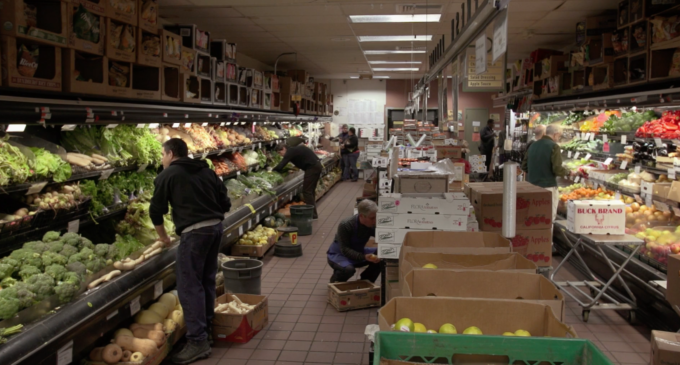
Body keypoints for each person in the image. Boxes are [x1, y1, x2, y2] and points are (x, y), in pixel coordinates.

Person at [149, 139, 231, 364]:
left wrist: (164, 238)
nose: (162, 159)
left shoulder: (168, 175)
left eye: (162, 154)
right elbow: (225, 202)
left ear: (171, 154)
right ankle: (207, 333)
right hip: (215, 229)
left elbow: (156, 211)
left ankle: (197, 342)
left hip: (194, 234)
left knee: (189, 286)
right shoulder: (207, 171)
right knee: (206, 281)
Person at [521, 124, 570, 222]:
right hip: (548, 187)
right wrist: (569, 172)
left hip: (533, 186)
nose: (558, 139)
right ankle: (547, 237)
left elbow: (524, 166)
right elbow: (557, 169)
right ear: (555, 135)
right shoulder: (554, 146)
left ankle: (537, 236)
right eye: (559, 136)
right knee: (548, 218)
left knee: (534, 215)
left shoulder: (533, 145)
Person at [326, 200, 381, 283]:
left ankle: (366, 281)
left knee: (382, 257)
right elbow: (345, 249)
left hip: (359, 251)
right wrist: (363, 257)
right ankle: (335, 282)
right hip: (340, 254)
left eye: (376, 217)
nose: (375, 221)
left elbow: (382, 237)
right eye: (372, 218)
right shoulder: (346, 225)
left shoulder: (372, 225)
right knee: (348, 270)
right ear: (362, 216)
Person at [272, 143, 322, 219]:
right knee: (310, 191)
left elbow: (282, 164)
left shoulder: (290, 152)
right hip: (316, 166)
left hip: (312, 168)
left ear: (283, 149)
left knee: (307, 191)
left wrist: (273, 171)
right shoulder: (294, 149)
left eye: (280, 152)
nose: (280, 155)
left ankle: (313, 215)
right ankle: (313, 213)